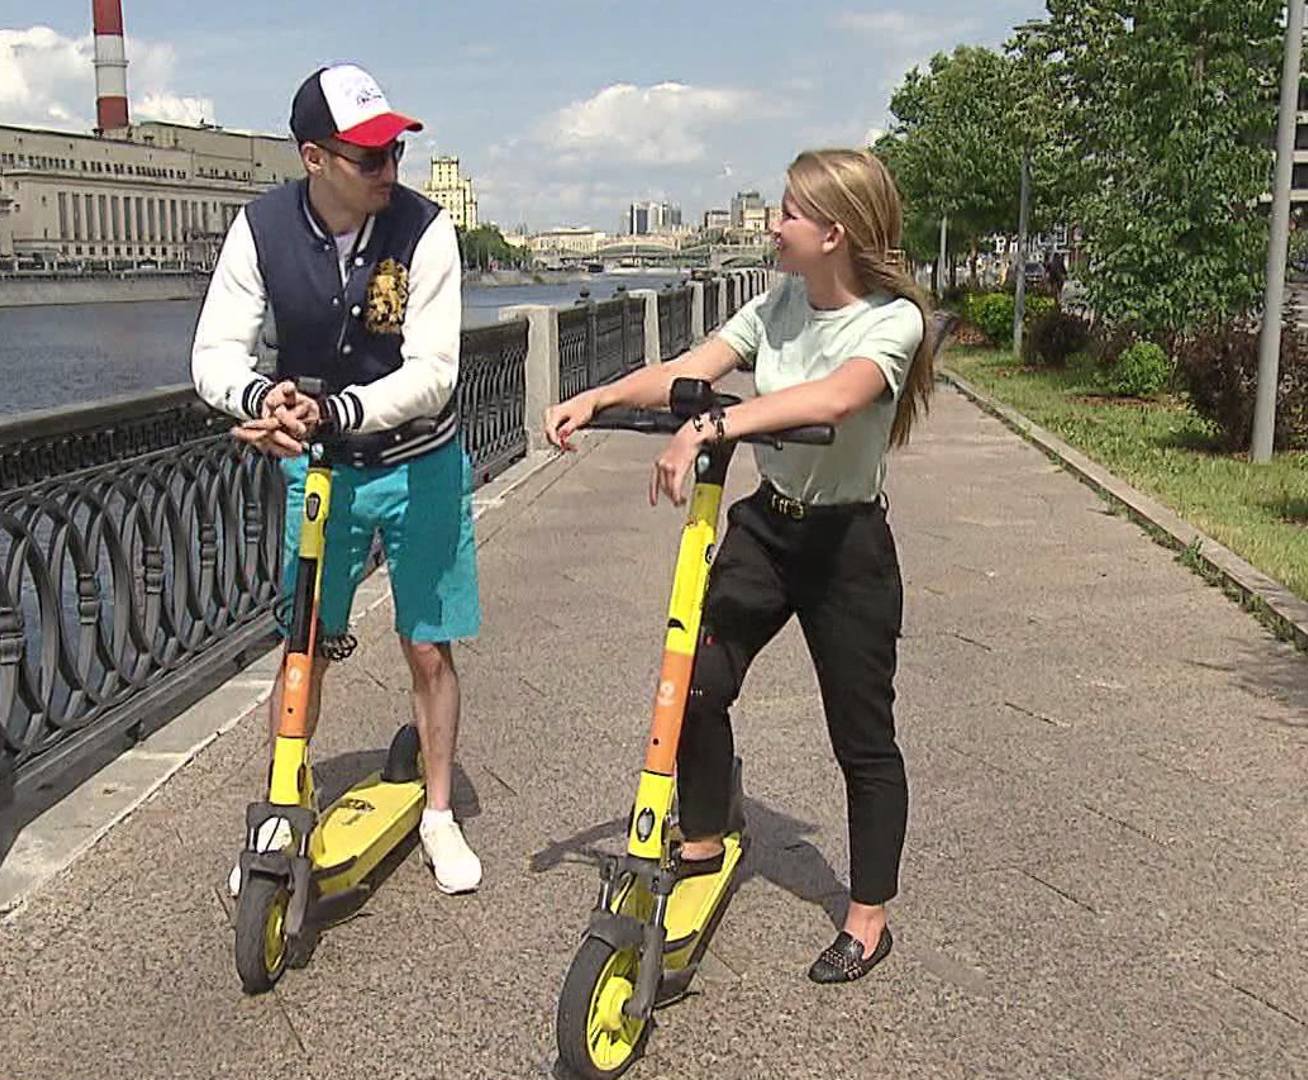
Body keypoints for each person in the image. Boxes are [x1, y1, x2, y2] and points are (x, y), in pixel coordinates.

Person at [543, 148, 934, 983]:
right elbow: (692, 370)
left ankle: (868, 918)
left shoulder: (890, 321)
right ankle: (703, 839)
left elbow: (834, 399)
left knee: (861, 738)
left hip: (846, 547)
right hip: (769, 531)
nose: (772, 223)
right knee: (694, 683)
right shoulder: (781, 299)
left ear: (834, 233)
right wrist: (600, 397)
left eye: (788, 212)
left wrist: (718, 429)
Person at [191, 63, 482, 896]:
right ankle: (287, 797)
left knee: (428, 644)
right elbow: (215, 352)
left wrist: (330, 412)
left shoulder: (426, 232)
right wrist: (261, 397)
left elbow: (433, 371)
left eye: (394, 151)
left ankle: (437, 813)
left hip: (420, 459)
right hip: (324, 472)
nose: (390, 171)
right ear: (314, 159)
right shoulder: (261, 229)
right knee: (305, 643)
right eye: (369, 158)